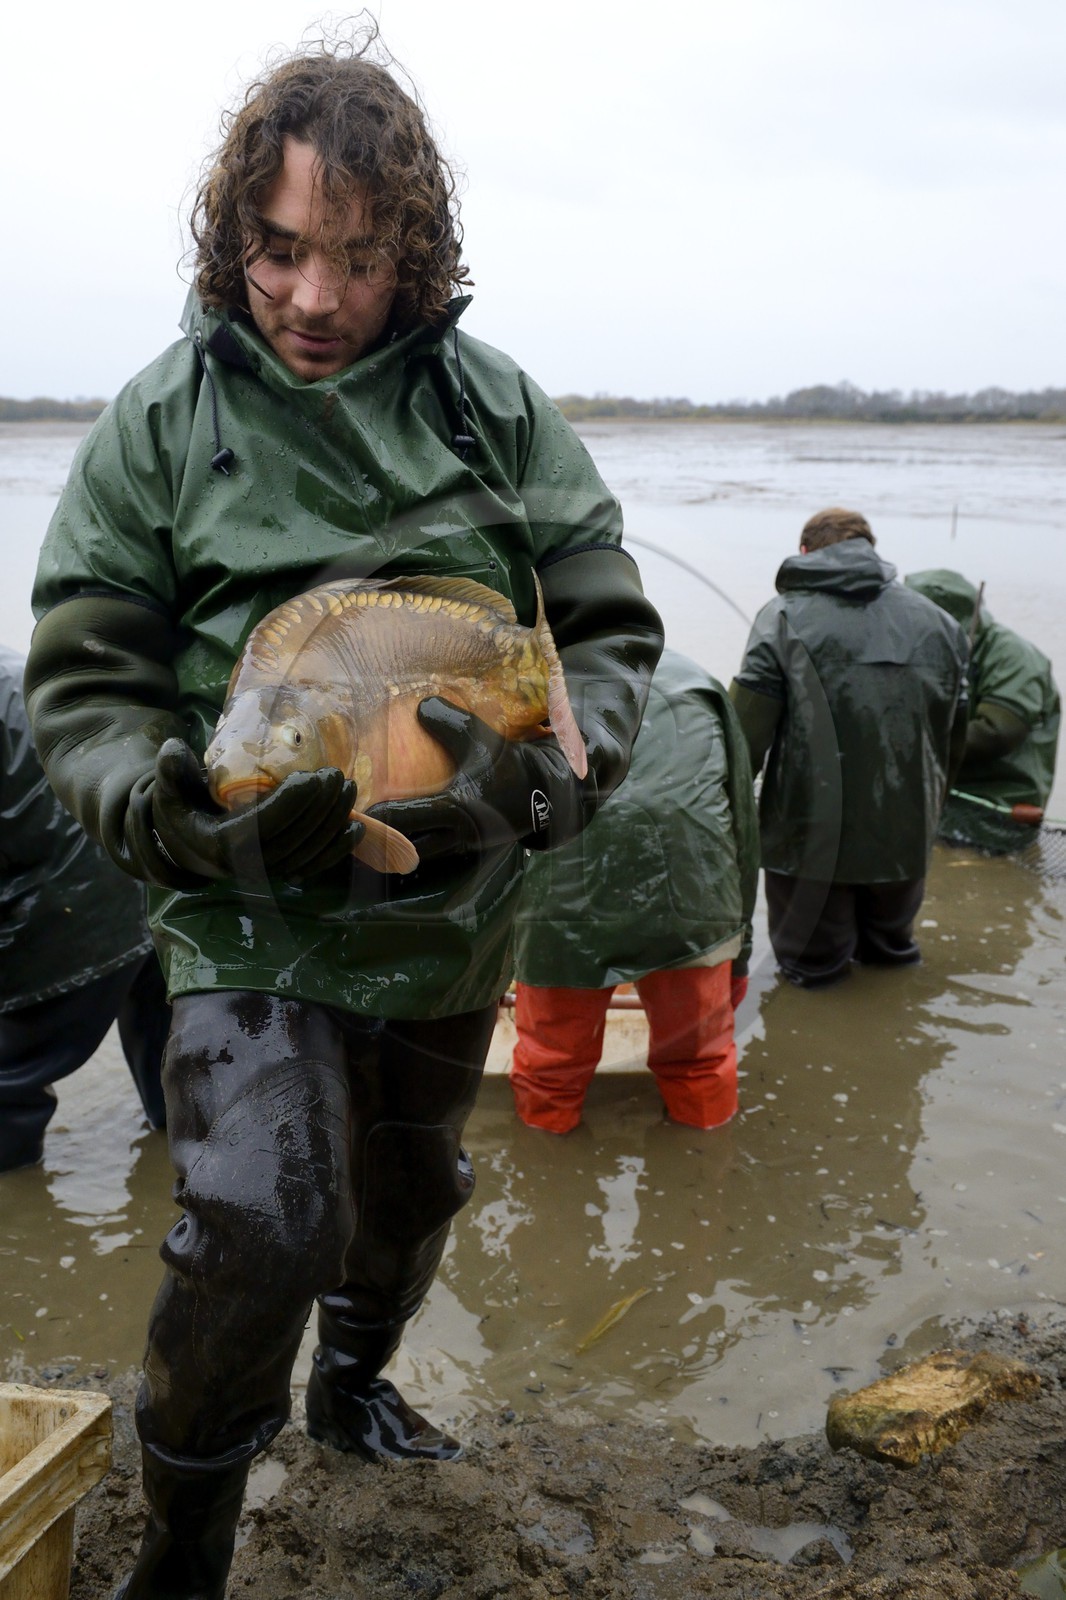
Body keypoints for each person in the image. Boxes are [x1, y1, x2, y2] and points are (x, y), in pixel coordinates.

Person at [23, 34, 663, 1600]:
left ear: (416, 252)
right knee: (259, 1210)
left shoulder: (496, 407)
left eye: (359, 260)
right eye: (280, 250)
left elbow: (602, 636)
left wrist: (546, 782)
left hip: (454, 912)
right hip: (241, 902)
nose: (313, 298)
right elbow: (86, 688)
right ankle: (182, 1551)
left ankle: (353, 1384)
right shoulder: (157, 425)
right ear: (231, 237)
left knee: (408, 1182)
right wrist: (167, 818)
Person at [510, 647, 758, 1132]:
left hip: (560, 912)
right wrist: (740, 951)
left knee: (549, 1070)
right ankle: (709, 1170)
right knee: (700, 1063)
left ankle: (548, 1173)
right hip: (693, 904)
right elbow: (744, 828)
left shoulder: (524, 681)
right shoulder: (698, 679)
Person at [729, 507, 968, 988]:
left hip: (808, 845)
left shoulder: (780, 617)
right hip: (906, 838)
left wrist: (726, 823)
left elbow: (742, 745)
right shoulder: (942, 624)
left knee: (810, 975)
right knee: (892, 957)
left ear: (804, 553)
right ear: (869, 548)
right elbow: (952, 744)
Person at [0, 645, 168, 1173]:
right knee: (181, 1068)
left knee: (8, 1077)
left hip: (74, 894)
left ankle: (20, 1218)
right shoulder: (14, 666)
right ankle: (190, 1169)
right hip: (149, 857)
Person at [904, 570, 1060, 854]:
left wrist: (910, 743)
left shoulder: (1013, 656)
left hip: (996, 805)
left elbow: (997, 731)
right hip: (942, 797)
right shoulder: (925, 648)